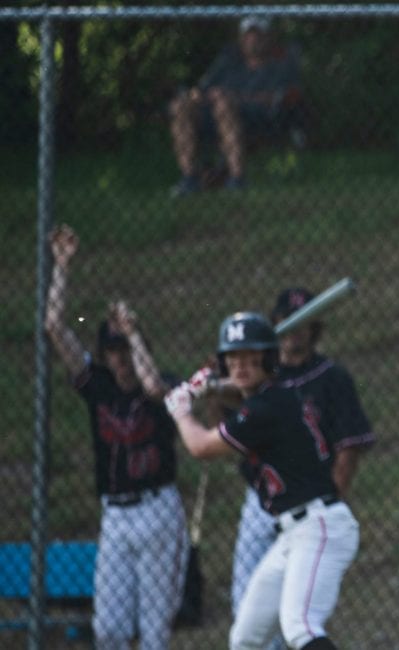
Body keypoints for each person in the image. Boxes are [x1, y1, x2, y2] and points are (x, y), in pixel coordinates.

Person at [164, 312, 359, 650]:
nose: (241, 365)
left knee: (301, 627)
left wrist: (181, 409)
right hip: (292, 532)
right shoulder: (270, 399)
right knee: (245, 638)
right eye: (233, 358)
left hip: (320, 525)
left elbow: (201, 446)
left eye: (251, 357)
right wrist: (208, 386)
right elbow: (237, 396)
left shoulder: (265, 408)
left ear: (268, 359)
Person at [42, 224, 188, 650]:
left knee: (155, 633)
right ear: (104, 355)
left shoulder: (162, 384)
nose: (120, 359)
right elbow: (54, 326)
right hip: (116, 516)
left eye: (125, 350)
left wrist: (134, 332)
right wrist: (62, 267)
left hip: (158, 509)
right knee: (108, 630)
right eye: (113, 352)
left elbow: (152, 387)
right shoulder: (99, 386)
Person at [230, 288, 376, 648]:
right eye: (287, 321)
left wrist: (329, 496)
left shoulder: (331, 377)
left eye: (303, 322)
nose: (294, 331)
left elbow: (348, 447)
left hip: (313, 504)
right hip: (265, 503)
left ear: (314, 329)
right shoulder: (261, 379)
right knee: (246, 631)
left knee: (299, 624)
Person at [168, 15, 303, 196]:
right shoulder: (229, 62)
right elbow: (201, 90)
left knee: (224, 104)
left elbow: (285, 97)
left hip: (258, 117)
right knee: (181, 106)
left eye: (258, 35)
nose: (252, 40)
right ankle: (189, 177)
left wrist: (234, 98)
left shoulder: (278, 65)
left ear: (269, 37)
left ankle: (237, 178)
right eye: (248, 35)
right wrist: (196, 97)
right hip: (215, 115)